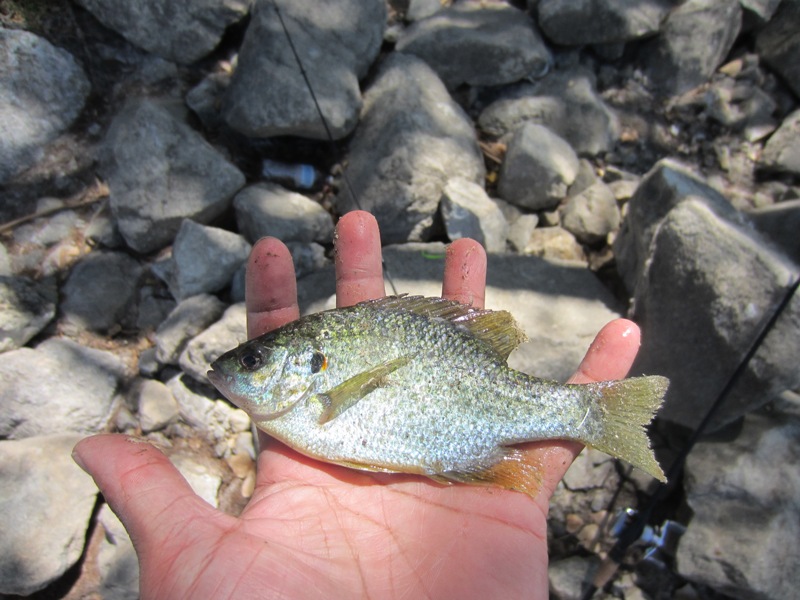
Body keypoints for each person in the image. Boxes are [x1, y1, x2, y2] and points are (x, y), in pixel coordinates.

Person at [73, 211, 644, 599]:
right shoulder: (300, 411)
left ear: (305, 364)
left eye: (253, 362)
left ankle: (593, 412)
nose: (231, 372)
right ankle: (592, 412)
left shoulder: (306, 407)